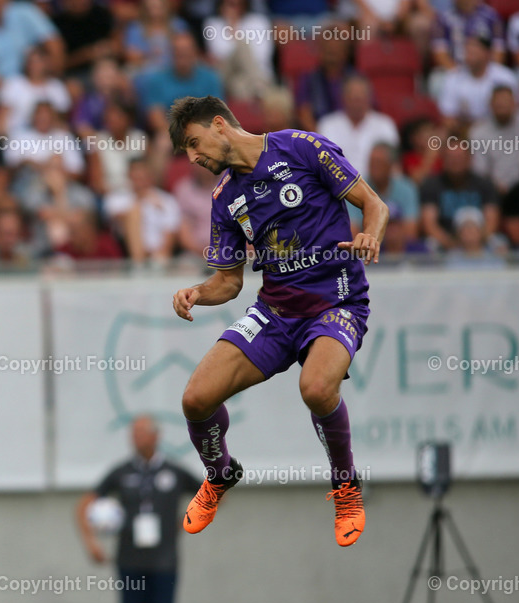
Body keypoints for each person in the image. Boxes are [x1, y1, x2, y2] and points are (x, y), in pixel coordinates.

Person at [166, 95, 390, 547]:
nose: (193, 158)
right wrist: (197, 292)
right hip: (274, 313)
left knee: (317, 388)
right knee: (195, 399)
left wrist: (370, 234)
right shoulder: (226, 197)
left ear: (219, 125)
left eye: (193, 144)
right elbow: (229, 283)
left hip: (336, 302)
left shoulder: (302, 147)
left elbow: (374, 205)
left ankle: (345, 485)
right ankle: (220, 473)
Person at [76, 416, 201, 603]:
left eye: (141, 432)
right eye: (132, 433)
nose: (135, 438)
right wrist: (90, 541)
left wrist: (189, 520)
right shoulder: (121, 472)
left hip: (164, 558)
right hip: (130, 558)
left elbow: (214, 495)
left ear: (156, 436)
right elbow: (84, 505)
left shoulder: (173, 472)